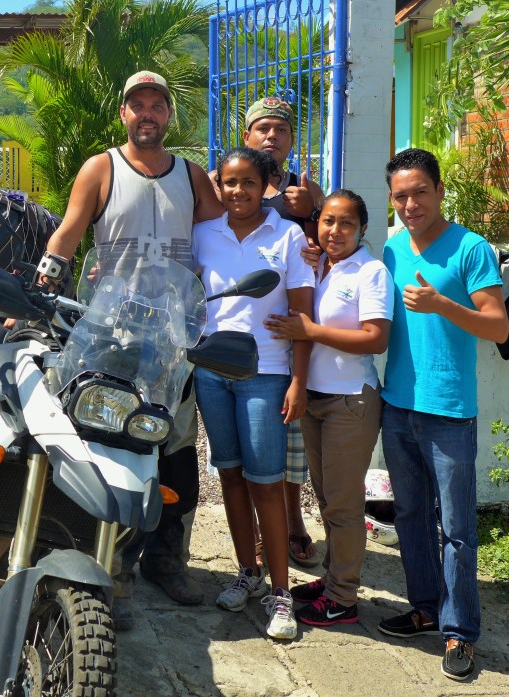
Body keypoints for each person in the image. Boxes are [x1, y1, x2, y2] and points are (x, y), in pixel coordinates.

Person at [40, 70, 224, 622]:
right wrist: (39, 288)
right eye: (136, 105)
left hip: (171, 339)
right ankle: (105, 569)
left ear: (169, 115)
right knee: (102, 446)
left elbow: (227, 237)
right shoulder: (103, 168)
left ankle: (167, 561)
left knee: (175, 454)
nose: (147, 113)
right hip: (109, 332)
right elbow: (69, 233)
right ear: (123, 114)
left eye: (157, 105)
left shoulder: (192, 177)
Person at [375, 148, 508, 681]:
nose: (411, 204)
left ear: (439, 190)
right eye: (401, 196)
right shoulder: (390, 249)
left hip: (449, 412)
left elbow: (497, 327)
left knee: (456, 529)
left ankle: (460, 632)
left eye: (419, 193)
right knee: (408, 517)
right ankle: (426, 609)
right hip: (396, 405)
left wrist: (442, 304)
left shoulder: (471, 249)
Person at [193, 146, 314, 640]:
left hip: (265, 373)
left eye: (247, 182)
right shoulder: (203, 234)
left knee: (266, 481)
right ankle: (248, 572)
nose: (237, 191)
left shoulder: (288, 236)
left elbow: (304, 319)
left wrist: (298, 381)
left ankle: (282, 594)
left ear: (266, 184)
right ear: (217, 187)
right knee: (230, 476)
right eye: (228, 182)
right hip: (211, 372)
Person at [265, 190, 393, 627]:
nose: (335, 231)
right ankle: (334, 577)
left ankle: (342, 599)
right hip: (317, 399)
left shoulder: (370, 271)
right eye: (328, 222)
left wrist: (311, 330)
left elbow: (376, 338)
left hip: (349, 400)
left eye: (346, 224)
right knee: (326, 498)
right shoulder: (318, 264)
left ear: (362, 230)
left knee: (343, 504)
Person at [212, 97, 325, 568]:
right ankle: (255, 551)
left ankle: (292, 523)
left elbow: (336, 239)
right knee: (240, 465)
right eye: (263, 128)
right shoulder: (222, 201)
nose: (272, 136)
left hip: (283, 344)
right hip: (224, 355)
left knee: (285, 451)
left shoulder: (304, 192)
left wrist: (314, 212)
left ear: (292, 139)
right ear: (247, 136)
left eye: (281, 129)